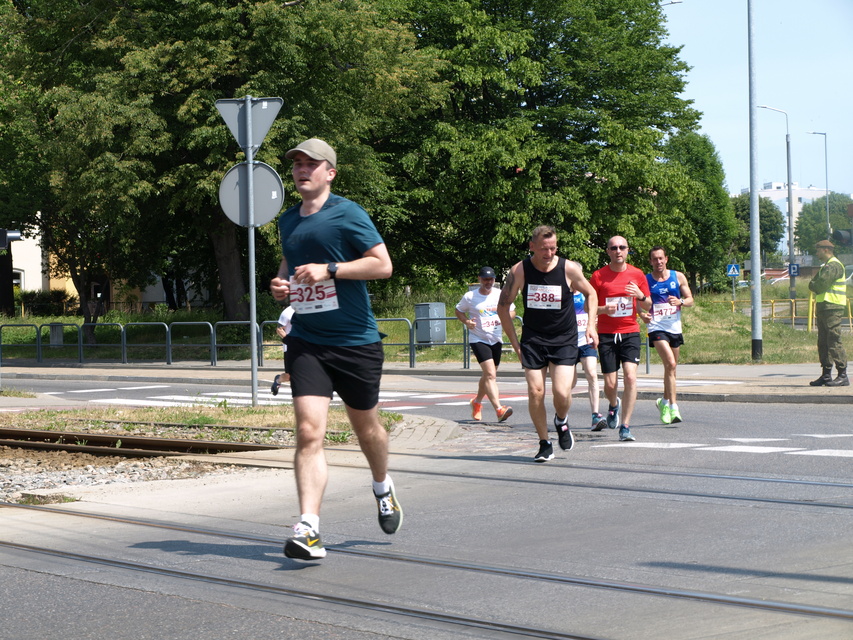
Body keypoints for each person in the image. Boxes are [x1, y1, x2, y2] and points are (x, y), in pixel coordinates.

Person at [269, 138, 401, 560]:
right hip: (307, 342)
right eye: (297, 165)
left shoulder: (348, 213)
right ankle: (309, 527)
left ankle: (382, 484)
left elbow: (382, 265)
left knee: (367, 429)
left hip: (356, 342)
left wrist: (331, 269)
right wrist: (280, 284)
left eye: (312, 164)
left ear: (330, 173)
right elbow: (289, 267)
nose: (302, 170)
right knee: (309, 432)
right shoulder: (288, 221)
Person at [498, 225, 598, 463]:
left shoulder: (569, 268)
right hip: (533, 339)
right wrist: (515, 344)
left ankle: (561, 421)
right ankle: (544, 443)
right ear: (532, 246)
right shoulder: (520, 270)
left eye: (553, 248)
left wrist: (591, 326)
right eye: (544, 249)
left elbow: (591, 293)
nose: (549, 253)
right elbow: (502, 307)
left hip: (563, 338)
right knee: (535, 392)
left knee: (562, 392)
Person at [589, 236, 652, 442]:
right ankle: (613, 406)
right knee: (610, 383)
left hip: (630, 331)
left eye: (622, 247)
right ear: (607, 251)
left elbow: (648, 305)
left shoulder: (637, 274)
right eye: (614, 248)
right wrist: (603, 309)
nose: (618, 251)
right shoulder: (599, 276)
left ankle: (625, 426)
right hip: (607, 334)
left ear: (627, 250)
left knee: (631, 377)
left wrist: (641, 295)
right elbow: (587, 307)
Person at [455, 266, 516, 422]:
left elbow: (512, 311)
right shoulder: (470, 296)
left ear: (494, 279)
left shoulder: (500, 294)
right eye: (485, 279)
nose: (488, 282)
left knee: (488, 375)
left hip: (495, 338)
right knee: (490, 375)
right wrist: (466, 322)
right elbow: (458, 310)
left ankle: (476, 402)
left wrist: (506, 317)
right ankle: (499, 409)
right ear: (479, 279)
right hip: (478, 338)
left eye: (491, 279)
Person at [642, 246, 694, 424]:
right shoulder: (646, 280)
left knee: (671, 368)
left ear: (666, 259)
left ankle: (663, 401)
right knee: (670, 363)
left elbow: (690, 300)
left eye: (661, 258)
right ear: (650, 261)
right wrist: (642, 315)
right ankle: (673, 407)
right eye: (654, 259)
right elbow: (636, 301)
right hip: (656, 326)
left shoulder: (677, 276)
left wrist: (680, 301)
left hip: (674, 326)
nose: (658, 262)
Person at [808, 239, 849, 387]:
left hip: (833, 307)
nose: (816, 252)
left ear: (826, 250)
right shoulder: (826, 266)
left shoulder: (833, 266)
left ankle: (842, 375)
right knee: (823, 342)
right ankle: (826, 375)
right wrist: (814, 283)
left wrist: (812, 284)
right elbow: (817, 284)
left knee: (833, 340)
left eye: (818, 249)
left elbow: (819, 285)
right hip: (825, 307)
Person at [571, 291, 606, 431]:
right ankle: (561, 416)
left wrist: (594, 319)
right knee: (569, 383)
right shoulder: (563, 293)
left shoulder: (587, 293)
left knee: (592, 374)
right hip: (568, 342)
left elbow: (595, 308)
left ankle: (595, 416)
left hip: (586, 340)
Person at [270, 305, 295, 396]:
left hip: (306, 349)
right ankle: (278, 379)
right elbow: (279, 329)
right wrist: (291, 342)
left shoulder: (309, 310)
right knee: (289, 376)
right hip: (290, 349)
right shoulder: (288, 312)